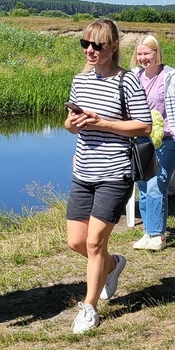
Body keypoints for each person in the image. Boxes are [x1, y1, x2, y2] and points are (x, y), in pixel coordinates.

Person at [64, 19, 152, 333]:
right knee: (77, 241)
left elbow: (144, 126)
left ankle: (89, 308)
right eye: (85, 44)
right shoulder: (80, 80)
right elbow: (69, 125)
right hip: (83, 171)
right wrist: (74, 123)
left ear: (113, 47)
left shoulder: (127, 82)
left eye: (97, 45)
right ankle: (113, 265)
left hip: (115, 172)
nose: (90, 50)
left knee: (94, 243)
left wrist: (103, 123)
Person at [130, 34, 175, 251]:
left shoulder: (171, 76)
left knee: (156, 183)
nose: (143, 58)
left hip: (169, 139)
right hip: (142, 139)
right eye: (140, 54)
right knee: (143, 184)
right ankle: (148, 231)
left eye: (147, 53)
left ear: (157, 53)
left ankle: (158, 235)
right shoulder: (134, 76)